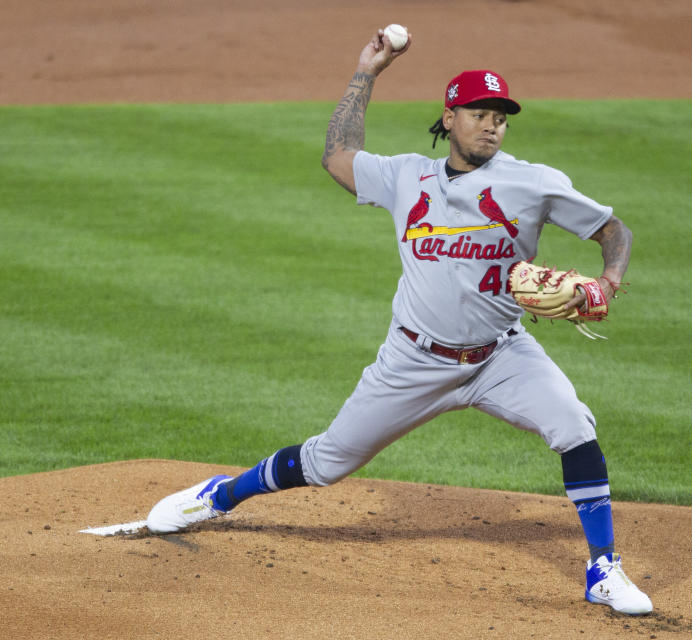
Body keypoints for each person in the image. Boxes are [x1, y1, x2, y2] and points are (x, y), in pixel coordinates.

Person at [146, 27, 652, 616]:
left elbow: (615, 231)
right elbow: (337, 155)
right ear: (450, 116)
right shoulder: (406, 175)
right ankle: (221, 495)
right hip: (412, 360)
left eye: (502, 117)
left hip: (500, 355)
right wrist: (369, 72)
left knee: (574, 422)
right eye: (480, 113)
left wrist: (606, 282)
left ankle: (603, 569)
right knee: (325, 462)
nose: (492, 124)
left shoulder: (532, 182)